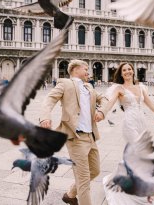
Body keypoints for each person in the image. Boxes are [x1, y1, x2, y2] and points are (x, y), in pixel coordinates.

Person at [102, 62, 154, 205]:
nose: (127, 72)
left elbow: (151, 105)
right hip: (129, 123)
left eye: (129, 69)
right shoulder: (119, 88)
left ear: (133, 71)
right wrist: (101, 112)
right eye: (124, 70)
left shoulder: (141, 87)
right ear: (121, 74)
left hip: (141, 122)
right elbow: (109, 103)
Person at [41, 60, 108, 205]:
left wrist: (101, 111)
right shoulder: (65, 83)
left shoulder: (89, 86)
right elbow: (49, 99)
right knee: (83, 179)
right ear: (76, 69)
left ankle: (70, 194)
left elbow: (104, 99)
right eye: (86, 69)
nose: (88, 72)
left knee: (95, 171)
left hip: (91, 136)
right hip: (76, 137)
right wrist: (45, 116)